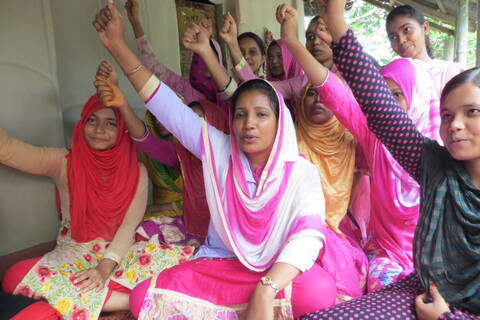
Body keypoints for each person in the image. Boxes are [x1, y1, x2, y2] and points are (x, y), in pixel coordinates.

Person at [92, 2, 366, 318]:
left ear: (280, 122)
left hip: (273, 271)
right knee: (143, 298)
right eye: (240, 115)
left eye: (261, 114)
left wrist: (267, 288)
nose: (249, 123)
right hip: (221, 267)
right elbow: (166, 105)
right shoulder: (218, 149)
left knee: (318, 290)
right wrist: (117, 45)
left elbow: (308, 236)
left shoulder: (299, 170)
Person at [279, 0, 480, 318]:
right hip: (419, 283)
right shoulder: (435, 165)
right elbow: (373, 102)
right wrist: (335, 18)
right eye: (447, 115)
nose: (454, 125)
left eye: (472, 113)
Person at [1, 85, 148, 319]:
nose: (99, 129)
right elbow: (8, 150)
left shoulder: (136, 171)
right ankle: (132, 302)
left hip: (117, 254)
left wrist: (103, 269)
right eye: (92, 120)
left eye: (111, 123)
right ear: (82, 124)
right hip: (71, 252)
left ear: (122, 130)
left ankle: (89, 303)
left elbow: (129, 226)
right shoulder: (64, 162)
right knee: (13, 275)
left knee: (156, 266)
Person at [96, 60, 228, 242]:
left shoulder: (232, 159)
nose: (192, 129)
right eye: (188, 123)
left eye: (199, 122)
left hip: (228, 235)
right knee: (142, 231)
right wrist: (122, 103)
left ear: (217, 124)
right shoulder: (182, 155)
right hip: (193, 230)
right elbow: (146, 141)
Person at [125, 0, 225, 104]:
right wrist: (135, 22)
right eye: (201, 58)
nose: (207, 65)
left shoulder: (226, 97)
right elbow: (153, 64)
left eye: (210, 57)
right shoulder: (185, 87)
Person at [386, 4, 463, 95]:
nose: (401, 40)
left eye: (407, 29)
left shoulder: (451, 71)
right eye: (393, 37)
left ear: (425, 28)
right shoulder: (390, 78)